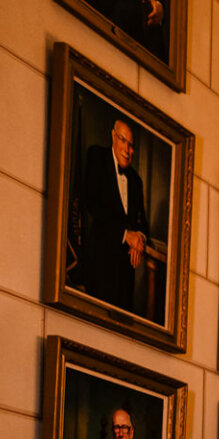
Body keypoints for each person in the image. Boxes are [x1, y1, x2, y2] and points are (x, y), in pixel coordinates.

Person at [77, 118, 148, 313]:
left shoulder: (136, 181)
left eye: (131, 144)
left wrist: (139, 240)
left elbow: (143, 222)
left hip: (125, 274)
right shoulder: (97, 157)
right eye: (123, 141)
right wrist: (126, 235)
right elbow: (93, 205)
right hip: (99, 264)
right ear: (113, 137)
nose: (127, 149)